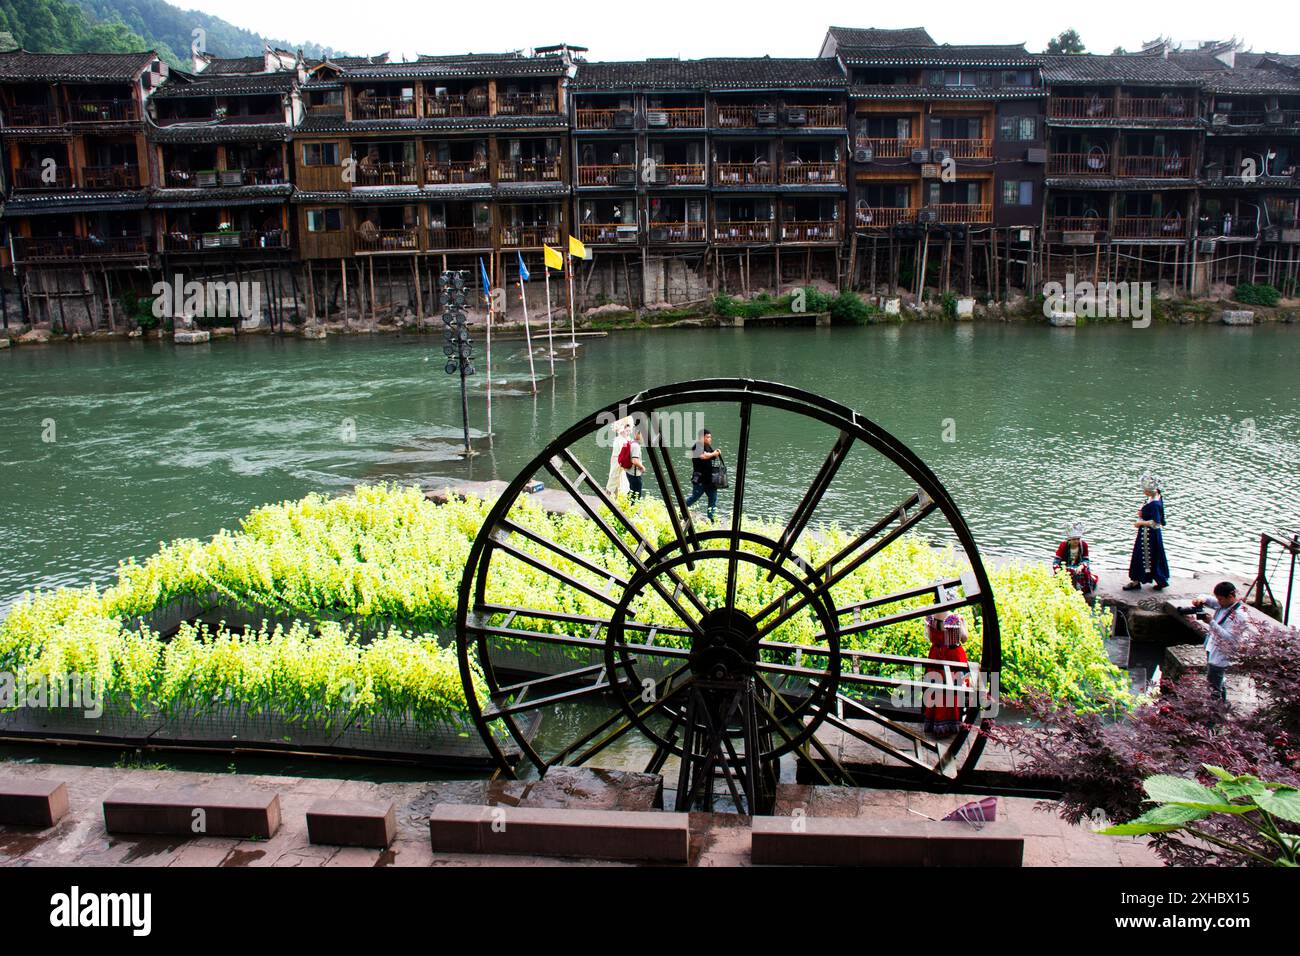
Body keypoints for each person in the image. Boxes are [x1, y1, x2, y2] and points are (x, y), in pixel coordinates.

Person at [1192, 581, 1246, 702]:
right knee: (1218, 681)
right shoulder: (1225, 604)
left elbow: (1230, 638)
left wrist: (1211, 622)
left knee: (1214, 687)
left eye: (1220, 599)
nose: (1218, 602)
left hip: (1222, 653)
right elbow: (1209, 600)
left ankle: (1214, 715)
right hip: (1212, 647)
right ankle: (1222, 706)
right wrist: (1200, 599)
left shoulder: (1239, 615)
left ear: (1231, 596)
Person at [922, 611, 970, 737]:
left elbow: (928, 637)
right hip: (953, 656)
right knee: (952, 690)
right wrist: (964, 624)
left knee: (935, 688)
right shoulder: (954, 619)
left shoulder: (930, 617)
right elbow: (964, 638)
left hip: (935, 655)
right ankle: (952, 722)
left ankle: (934, 721)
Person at [1123, 472, 1170, 591]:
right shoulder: (1157, 495)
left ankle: (1136, 580)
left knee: (1141, 556)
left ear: (1151, 491)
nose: (1144, 493)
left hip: (1148, 535)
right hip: (1151, 534)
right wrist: (1142, 512)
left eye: (1146, 491)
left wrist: (1140, 523)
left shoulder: (1154, 504)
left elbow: (1156, 523)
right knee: (1155, 555)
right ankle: (1160, 579)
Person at [1053, 521, 1098, 598]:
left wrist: (1081, 566)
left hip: (1079, 567)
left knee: (1083, 573)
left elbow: (1086, 560)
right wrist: (1060, 571)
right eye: (1074, 539)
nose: (1076, 541)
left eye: (1078, 539)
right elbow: (1056, 562)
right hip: (1065, 568)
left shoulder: (1084, 545)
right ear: (1069, 539)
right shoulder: (1063, 545)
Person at [684, 429, 720, 520]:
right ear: (701, 437)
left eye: (710, 437)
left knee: (713, 498)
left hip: (709, 479)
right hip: (700, 479)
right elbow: (703, 456)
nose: (710, 439)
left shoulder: (707, 446)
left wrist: (716, 453)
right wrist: (713, 454)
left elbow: (711, 456)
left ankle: (711, 519)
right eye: (708, 437)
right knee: (694, 497)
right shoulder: (697, 446)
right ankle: (681, 510)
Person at [605, 417, 632, 497]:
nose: (629, 432)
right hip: (617, 460)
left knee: (622, 479)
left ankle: (618, 496)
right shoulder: (619, 439)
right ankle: (608, 494)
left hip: (623, 460)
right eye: (627, 431)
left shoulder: (627, 439)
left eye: (629, 431)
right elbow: (621, 451)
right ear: (622, 430)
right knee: (614, 477)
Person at [625, 429, 645, 499]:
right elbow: (634, 460)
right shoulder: (636, 446)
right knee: (636, 495)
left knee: (632, 491)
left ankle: (626, 506)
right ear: (637, 434)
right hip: (634, 474)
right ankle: (632, 508)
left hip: (629, 472)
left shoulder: (631, 442)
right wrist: (642, 467)